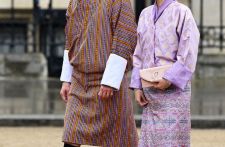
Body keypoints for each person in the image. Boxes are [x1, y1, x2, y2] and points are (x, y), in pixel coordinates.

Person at [60, 0, 138, 146]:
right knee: (71, 133)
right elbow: (69, 39)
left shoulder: (120, 1)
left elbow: (124, 37)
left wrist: (110, 81)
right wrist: (67, 79)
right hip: (79, 79)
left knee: (118, 138)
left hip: (108, 81)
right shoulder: (74, 1)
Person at [130, 0, 200, 146]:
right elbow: (138, 53)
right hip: (150, 90)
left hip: (174, 91)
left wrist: (169, 78)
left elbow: (188, 52)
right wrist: (137, 86)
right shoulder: (145, 14)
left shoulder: (182, 12)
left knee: (171, 139)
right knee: (150, 139)